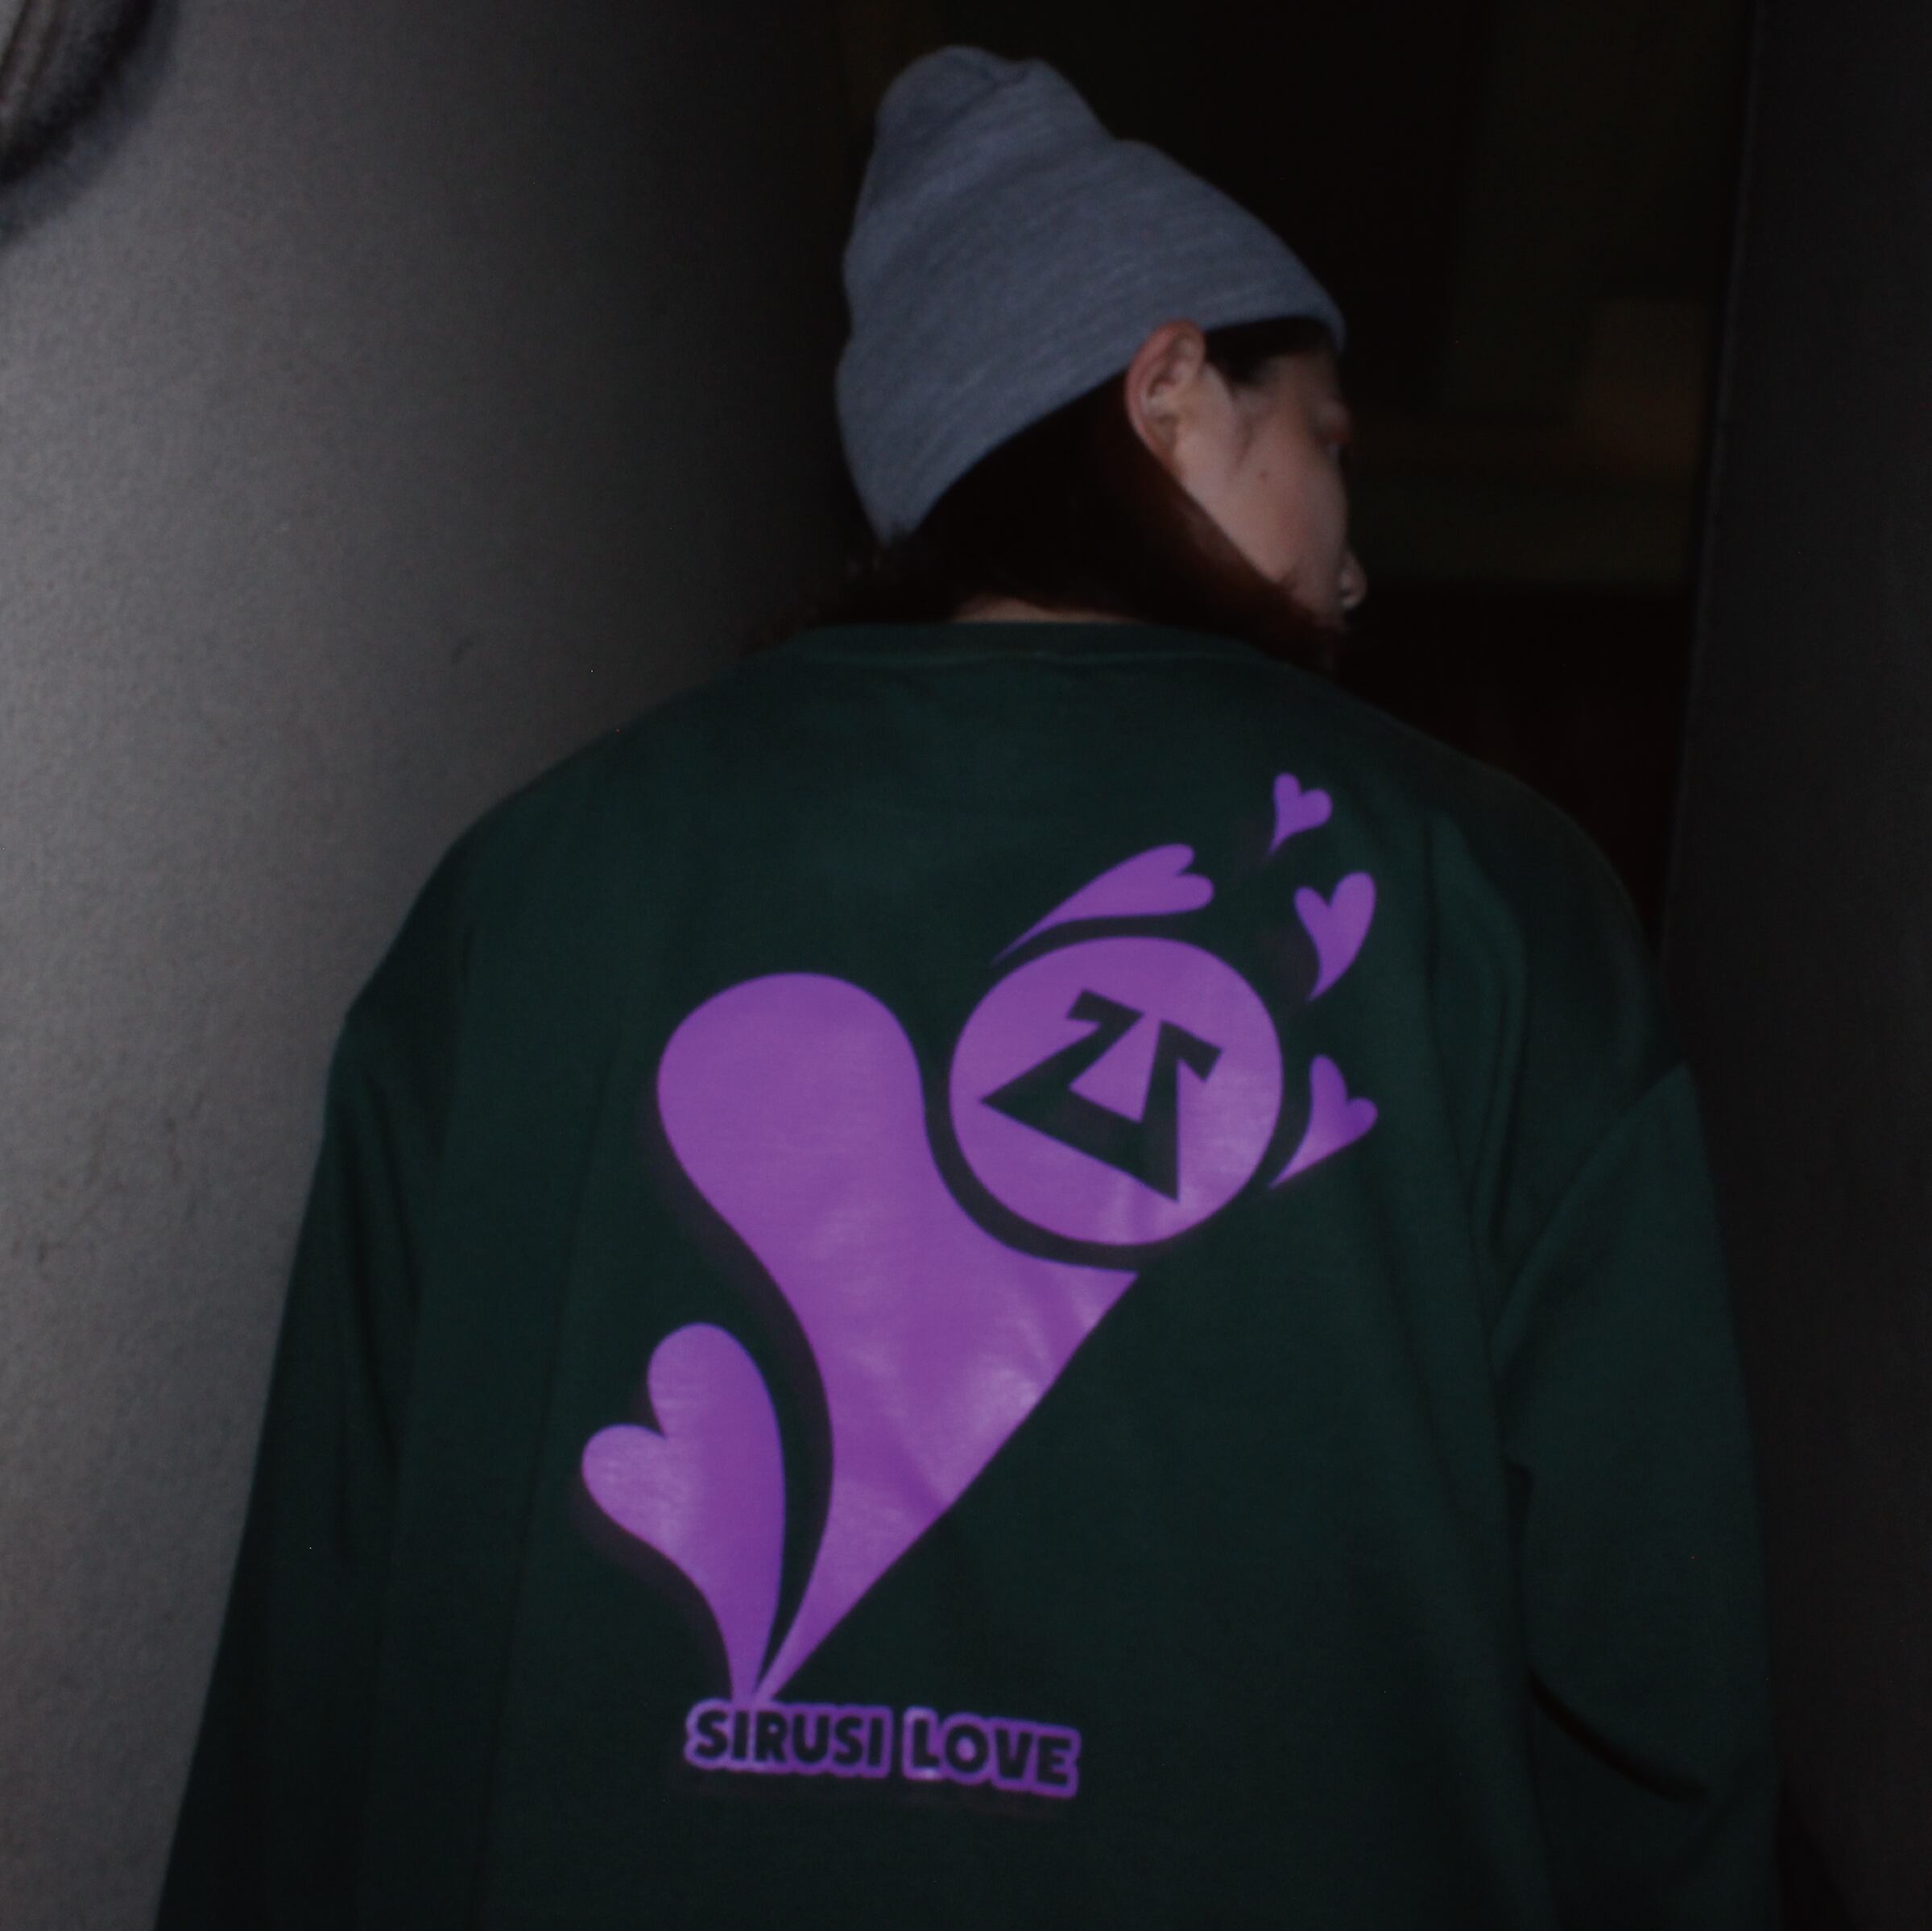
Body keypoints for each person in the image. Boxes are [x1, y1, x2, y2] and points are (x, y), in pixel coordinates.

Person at [158, 47, 1777, 1929]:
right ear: (1171, 391)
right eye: (1329, 442)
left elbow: (319, 1643)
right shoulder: (1480, 894)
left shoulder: (523, 890)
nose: (1357, 570)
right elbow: (1651, 1689)